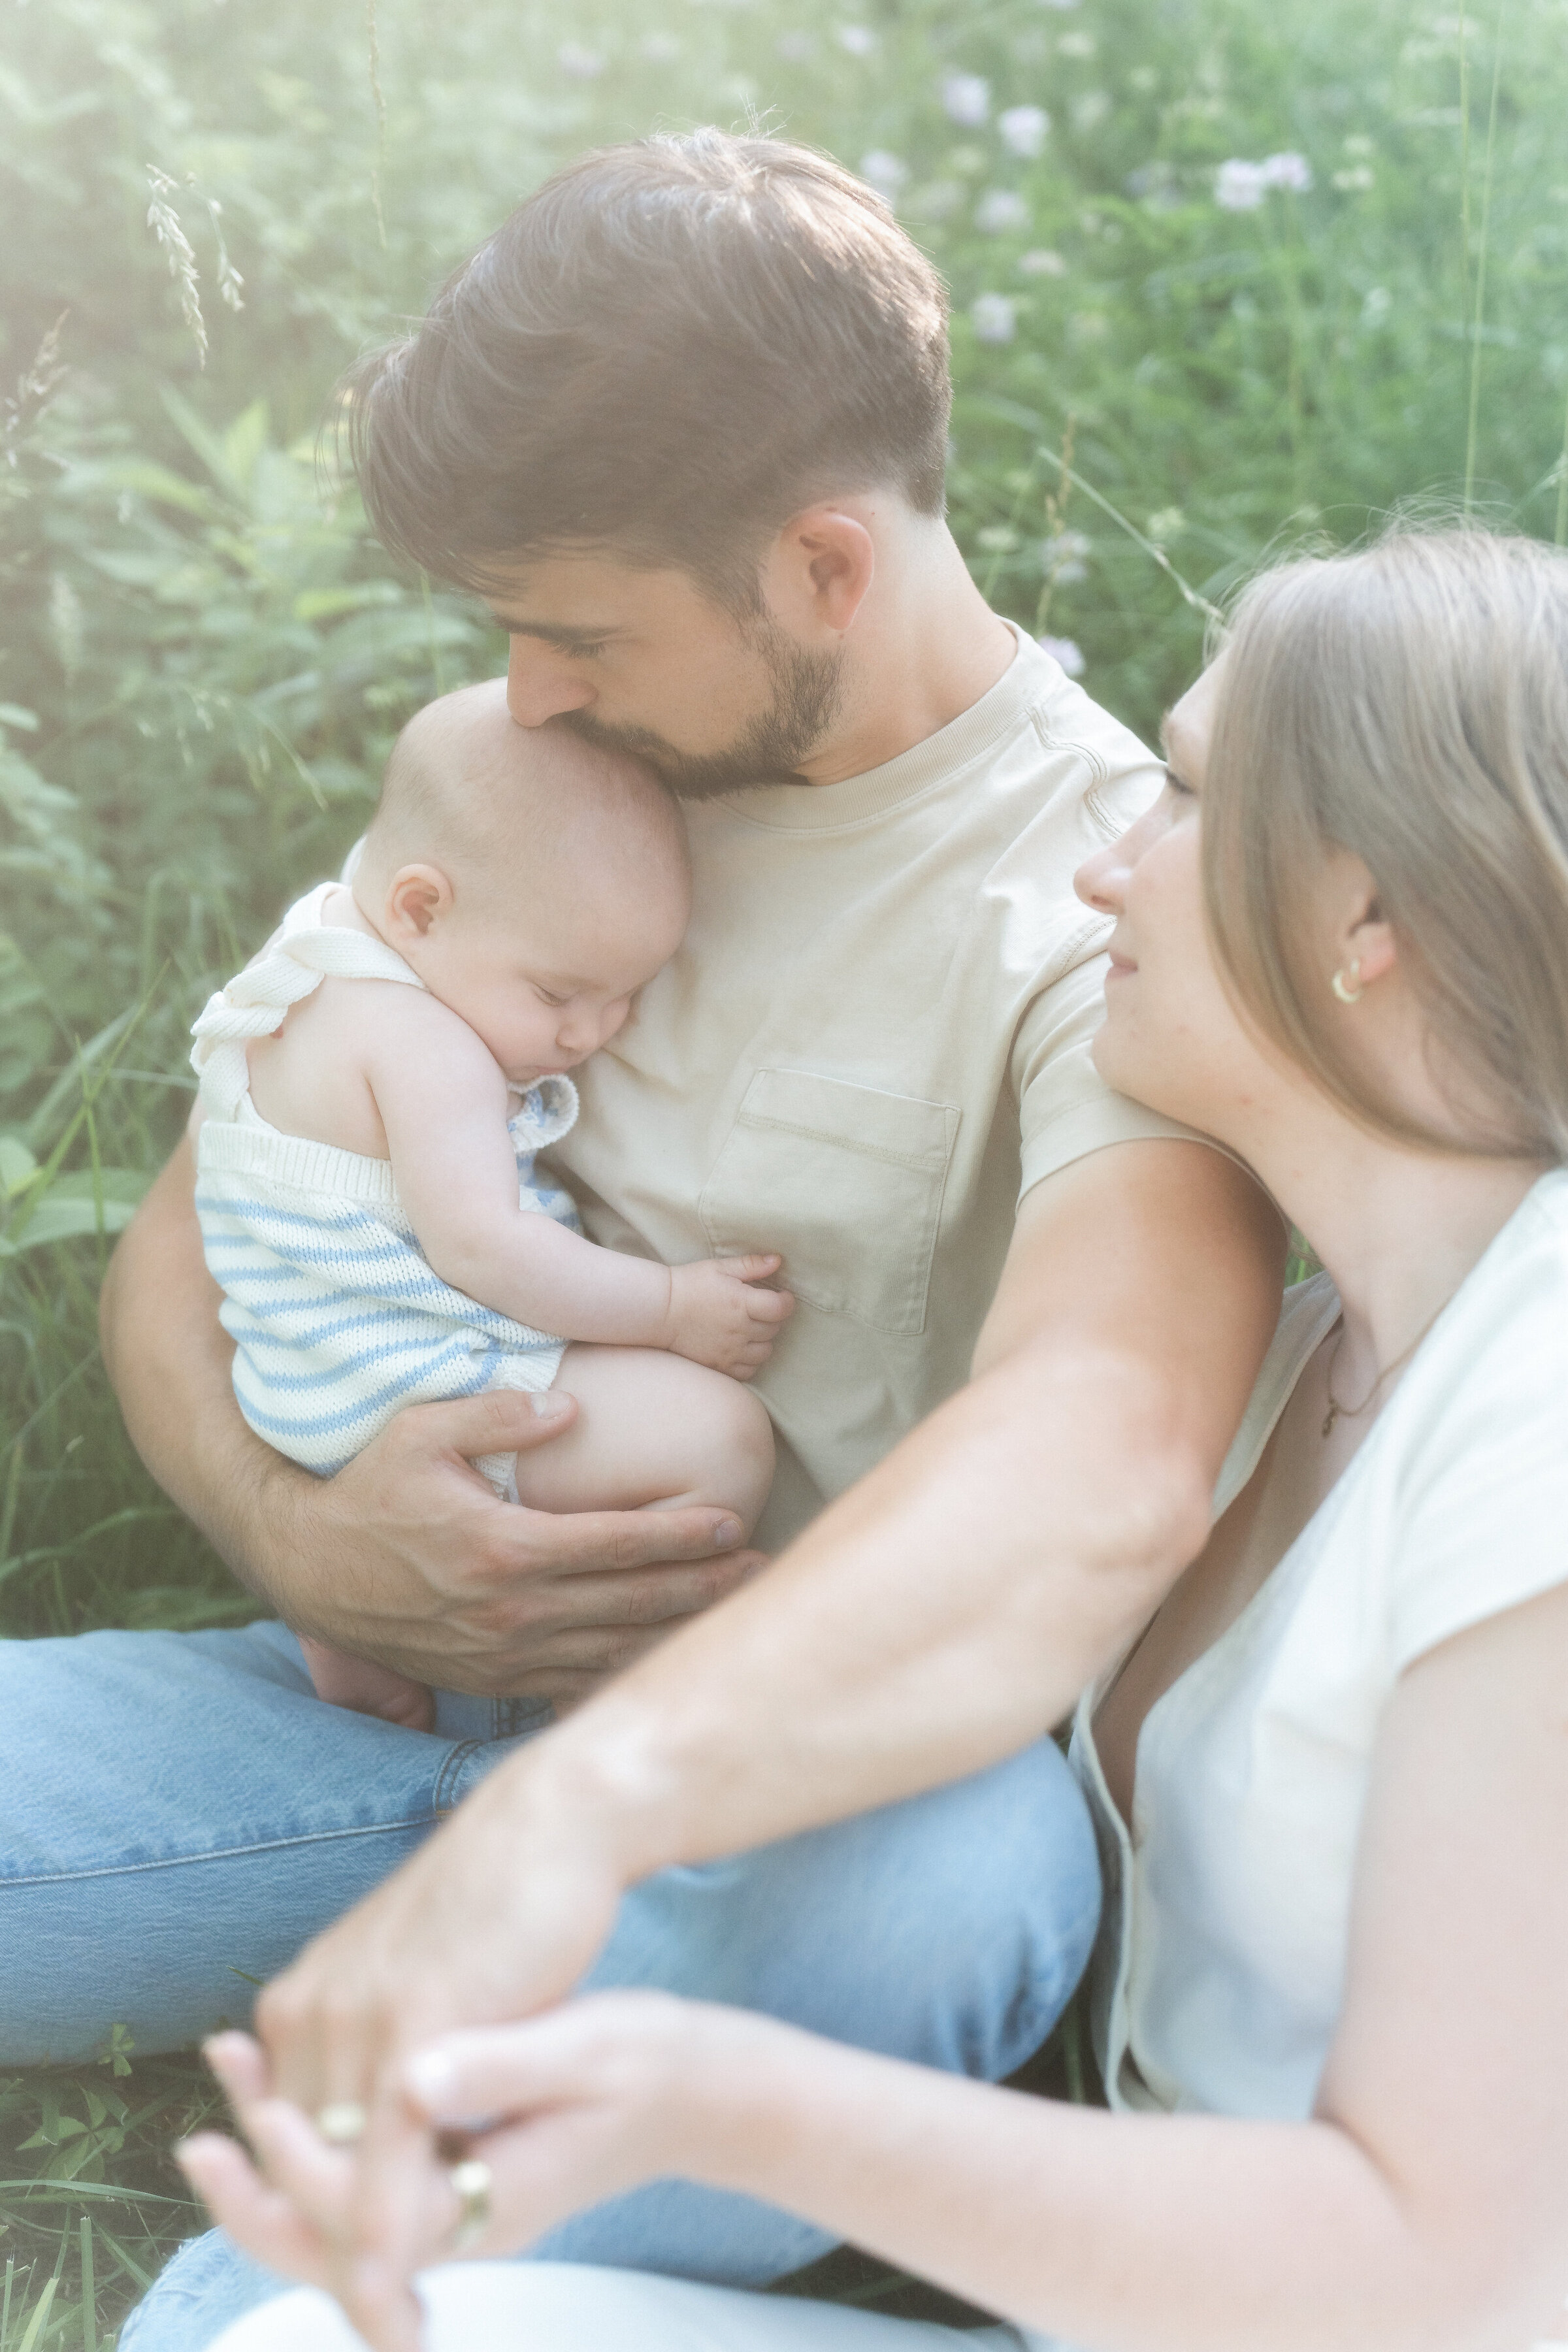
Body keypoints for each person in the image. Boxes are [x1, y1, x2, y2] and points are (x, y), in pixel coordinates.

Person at [4, 129, 1280, 2342]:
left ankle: (270, 2308)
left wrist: (586, 1809)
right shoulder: (536, 783)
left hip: (806, 1822)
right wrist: (292, 1535)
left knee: (971, 1861)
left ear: (816, 566)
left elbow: (1110, 1445)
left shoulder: (1098, 903)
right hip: (363, 1715)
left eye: (583, 628)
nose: (536, 687)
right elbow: (194, 1240)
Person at [184, 528, 1568, 2352]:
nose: (1107, 868)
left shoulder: (1537, 1391)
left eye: (1179, 796)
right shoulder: (1317, 1360)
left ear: (1362, 912)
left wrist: (702, 2089)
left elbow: (1448, 2276)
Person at [189, 685, 785, 1729]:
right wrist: (671, 1307)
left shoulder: (302, 965)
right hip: (406, 1389)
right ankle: (611, 1678)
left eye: (626, 999)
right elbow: (484, 1247)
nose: (591, 1034)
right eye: (560, 995)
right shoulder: (425, 1050)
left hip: (299, 1395)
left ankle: (344, 1636)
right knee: (718, 1434)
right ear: (422, 907)